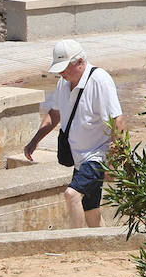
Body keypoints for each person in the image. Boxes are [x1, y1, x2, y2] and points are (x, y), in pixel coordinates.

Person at [24, 39, 126, 228]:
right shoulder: (64, 83)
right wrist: (35, 141)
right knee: (92, 212)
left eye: (65, 67)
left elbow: (117, 121)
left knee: (72, 195)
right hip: (80, 157)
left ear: (80, 62)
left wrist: (113, 162)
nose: (62, 73)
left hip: (97, 156)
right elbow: (54, 114)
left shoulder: (99, 80)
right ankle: (101, 247)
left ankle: (76, 244)